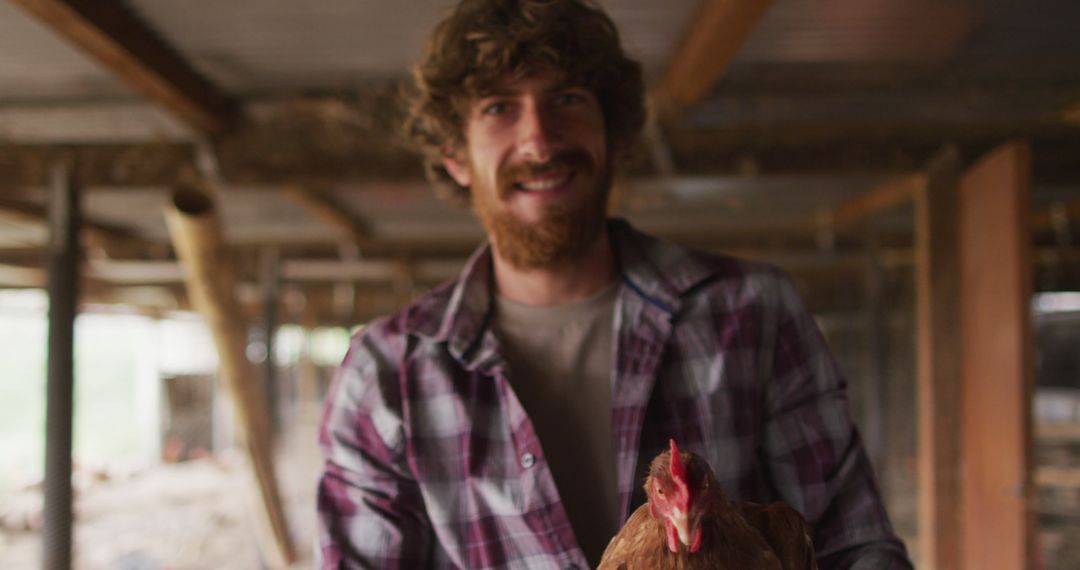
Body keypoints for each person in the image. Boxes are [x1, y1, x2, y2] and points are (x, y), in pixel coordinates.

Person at [317, 0, 913, 568]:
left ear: (617, 135)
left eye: (568, 98)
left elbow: (853, 546)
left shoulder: (752, 312)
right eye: (498, 108)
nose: (539, 140)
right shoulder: (388, 374)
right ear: (454, 154)